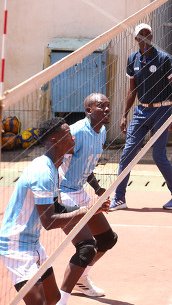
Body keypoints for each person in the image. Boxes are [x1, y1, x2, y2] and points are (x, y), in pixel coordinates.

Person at [0, 117, 109, 305]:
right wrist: (87, 211)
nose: (74, 138)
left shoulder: (54, 168)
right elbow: (49, 222)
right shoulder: (43, 172)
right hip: (16, 247)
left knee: (54, 298)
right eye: (68, 135)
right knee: (39, 302)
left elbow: (55, 207)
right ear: (54, 141)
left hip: (32, 243)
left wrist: (91, 211)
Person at [110, 23, 172, 211]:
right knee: (127, 154)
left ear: (151, 37)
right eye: (141, 34)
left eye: (147, 34)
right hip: (141, 111)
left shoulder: (163, 58)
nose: (144, 37)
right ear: (136, 38)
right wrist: (124, 115)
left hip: (162, 110)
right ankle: (119, 198)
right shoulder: (132, 59)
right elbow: (132, 91)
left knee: (158, 154)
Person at [58, 93, 117, 297]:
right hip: (62, 193)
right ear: (89, 110)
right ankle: (61, 299)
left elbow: (86, 164)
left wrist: (98, 189)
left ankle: (81, 280)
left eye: (108, 106)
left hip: (79, 191)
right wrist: (52, 196)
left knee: (107, 239)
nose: (107, 109)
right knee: (86, 248)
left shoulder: (101, 132)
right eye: (101, 106)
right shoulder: (76, 132)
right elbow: (54, 162)